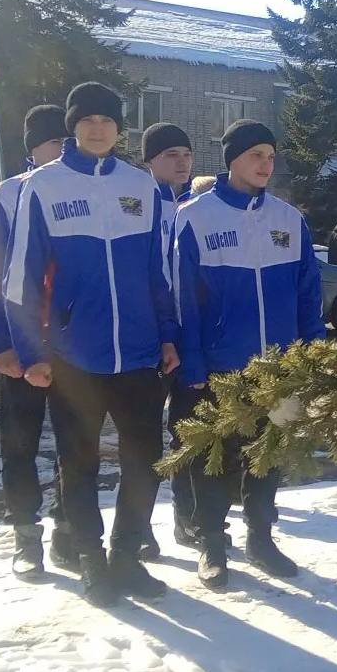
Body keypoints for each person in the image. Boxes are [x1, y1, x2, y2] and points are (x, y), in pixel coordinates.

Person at [4, 81, 180, 608]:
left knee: (145, 460)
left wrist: (168, 335)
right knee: (78, 464)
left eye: (106, 120)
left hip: (139, 354)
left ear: (119, 128)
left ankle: (126, 556)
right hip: (74, 357)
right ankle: (91, 561)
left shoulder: (141, 186)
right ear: (73, 127)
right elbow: (20, 278)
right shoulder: (44, 186)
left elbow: (158, 271)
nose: (98, 128)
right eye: (87, 120)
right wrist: (32, 352)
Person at [173, 120, 324, 589]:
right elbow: (182, 298)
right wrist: (193, 359)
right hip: (219, 365)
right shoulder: (195, 216)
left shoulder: (289, 220)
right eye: (256, 154)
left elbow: (308, 293)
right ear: (232, 159)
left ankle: (260, 537)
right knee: (213, 457)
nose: (266, 164)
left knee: (267, 454)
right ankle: (211, 543)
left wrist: (309, 353)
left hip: (276, 366)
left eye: (271, 156)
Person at [0, 103, 73, 580]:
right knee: (21, 443)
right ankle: (26, 537)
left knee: (77, 444)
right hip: (21, 345)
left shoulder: (85, 194)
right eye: (55, 142)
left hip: (75, 349)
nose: (64, 151)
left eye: (68, 142)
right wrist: (0, 345)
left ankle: (69, 530)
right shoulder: (5, 196)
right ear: (33, 148)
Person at [140, 120, 196, 557]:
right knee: (142, 437)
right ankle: (138, 527)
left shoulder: (197, 206)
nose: (181, 162)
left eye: (186, 154)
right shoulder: (139, 205)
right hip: (152, 334)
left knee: (189, 430)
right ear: (150, 161)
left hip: (190, 333)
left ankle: (188, 518)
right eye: (170, 155)